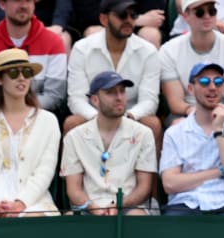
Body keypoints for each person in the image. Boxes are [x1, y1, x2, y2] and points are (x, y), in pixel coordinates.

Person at [64, 0, 162, 148]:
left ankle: (148, 173)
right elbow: (76, 99)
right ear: (104, 19)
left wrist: (129, 117)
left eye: (133, 15)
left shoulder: (148, 51)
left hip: (131, 116)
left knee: (152, 124)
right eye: (122, 15)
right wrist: (99, 118)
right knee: (72, 123)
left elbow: (149, 100)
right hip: (93, 116)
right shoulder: (82, 48)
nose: (129, 20)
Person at [0, 48, 61, 217]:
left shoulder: (48, 121)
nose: (21, 78)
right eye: (13, 73)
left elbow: (45, 171)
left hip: (33, 202)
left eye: (26, 72)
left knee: (32, 216)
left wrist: (21, 203)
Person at [159, 62, 224, 215]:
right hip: (186, 204)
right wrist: (220, 171)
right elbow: (170, 184)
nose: (212, 87)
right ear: (191, 89)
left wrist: (219, 131)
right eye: (204, 82)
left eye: (218, 82)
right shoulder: (174, 133)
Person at [60, 70, 157, 215]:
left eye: (122, 91)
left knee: (135, 216)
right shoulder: (74, 137)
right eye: (111, 92)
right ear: (95, 100)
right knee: (69, 218)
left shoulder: (143, 133)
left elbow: (144, 188)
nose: (119, 97)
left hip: (130, 206)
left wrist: (119, 205)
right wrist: (94, 208)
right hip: (89, 206)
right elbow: (74, 190)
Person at [159, 0, 224, 120]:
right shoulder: (168, 51)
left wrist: (217, 115)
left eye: (212, 11)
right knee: (176, 125)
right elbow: (175, 104)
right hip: (187, 113)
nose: (207, 16)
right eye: (200, 12)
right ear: (185, 16)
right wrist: (196, 113)